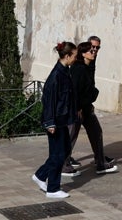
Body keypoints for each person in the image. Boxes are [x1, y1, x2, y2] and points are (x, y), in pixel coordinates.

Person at [32, 41, 78, 199]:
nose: (75, 59)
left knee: (64, 150)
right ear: (67, 56)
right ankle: (52, 189)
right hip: (55, 121)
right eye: (74, 56)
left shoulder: (65, 71)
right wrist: (49, 122)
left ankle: (40, 175)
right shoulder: (56, 76)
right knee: (58, 154)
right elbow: (49, 100)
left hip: (62, 119)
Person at [70, 41, 117, 173]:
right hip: (78, 109)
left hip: (86, 107)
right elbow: (75, 89)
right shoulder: (78, 68)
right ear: (83, 54)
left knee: (96, 133)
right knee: (71, 137)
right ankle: (63, 165)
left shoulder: (88, 66)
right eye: (92, 50)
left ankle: (101, 164)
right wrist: (78, 107)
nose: (94, 52)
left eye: (96, 49)